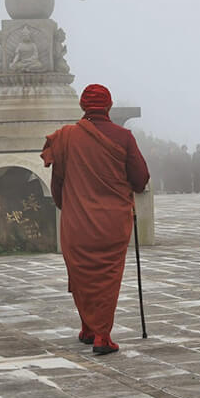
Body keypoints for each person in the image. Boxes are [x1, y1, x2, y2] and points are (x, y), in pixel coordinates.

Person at [41, 84, 150, 356]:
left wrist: (67, 208)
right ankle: (101, 335)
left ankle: (89, 328)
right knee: (107, 277)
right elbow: (140, 178)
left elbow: (58, 183)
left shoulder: (66, 137)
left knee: (80, 273)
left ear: (82, 106)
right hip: (112, 221)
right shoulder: (123, 137)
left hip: (76, 220)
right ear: (109, 106)